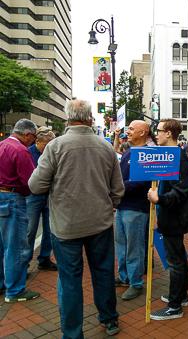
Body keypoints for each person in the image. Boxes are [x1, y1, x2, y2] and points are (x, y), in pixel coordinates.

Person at [29, 99, 125, 337]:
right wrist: (107, 206)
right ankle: (109, 319)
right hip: (100, 223)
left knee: (70, 279)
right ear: (90, 117)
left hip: (66, 224)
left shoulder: (55, 146)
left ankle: (73, 333)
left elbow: (35, 185)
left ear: (68, 118)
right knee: (103, 272)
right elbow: (118, 190)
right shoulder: (105, 148)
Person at [148, 119, 188, 320]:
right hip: (172, 215)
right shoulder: (170, 155)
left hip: (175, 217)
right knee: (178, 257)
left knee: (175, 261)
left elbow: (181, 190)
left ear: (169, 133)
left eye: (159, 131)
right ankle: (181, 295)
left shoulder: (177, 157)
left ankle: (175, 306)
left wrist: (159, 198)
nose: (156, 134)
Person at [0, 119, 40, 303]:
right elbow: (30, 181)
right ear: (27, 134)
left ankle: (3, 283)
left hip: (2, 196)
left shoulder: (2, 145)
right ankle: (14, 290)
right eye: (33, 137)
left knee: (3, 245)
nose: (33, 141)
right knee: (15, 246)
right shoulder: (20, 150)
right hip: (13, 197)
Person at [115, 120, 151, 301]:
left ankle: (135, 283)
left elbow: (141, 182)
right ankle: (124, 277)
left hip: (136, 208)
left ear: (143, 132)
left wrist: (115, 187)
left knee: (134, 247)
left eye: (131, 129)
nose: (127, 131)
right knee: (121, 244)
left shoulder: (146, 153)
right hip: (122, 206)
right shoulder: (129, 151)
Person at [26, 127, 57, 271]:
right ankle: (25, 262)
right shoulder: (28, 153)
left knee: (49, 229)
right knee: (30, 230)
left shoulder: (51, 152)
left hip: (48, 195)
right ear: (38, 141)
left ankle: (44, 258)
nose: (49, 146)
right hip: (32, 196)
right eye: (47, 144)